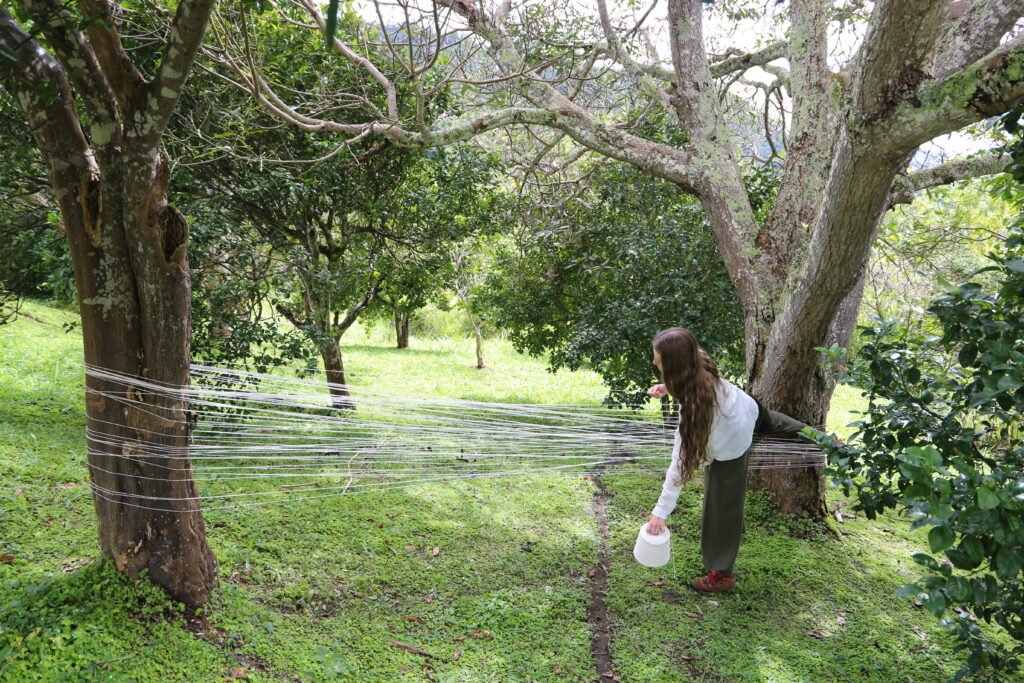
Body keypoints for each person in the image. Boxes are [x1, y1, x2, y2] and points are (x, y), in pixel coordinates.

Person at [645, 327, 812, 593]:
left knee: (721, 508)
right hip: (748, 407)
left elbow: (679, 465)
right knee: (776, 422)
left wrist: (660, 512)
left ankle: (723, 575)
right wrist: (669, 387)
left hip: (733, 440)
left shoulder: (696, 411)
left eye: (659, 358)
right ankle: (821, 438)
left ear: (675, 364)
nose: (655, 361)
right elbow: (688, 378)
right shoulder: (698, 361)